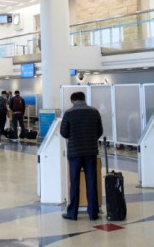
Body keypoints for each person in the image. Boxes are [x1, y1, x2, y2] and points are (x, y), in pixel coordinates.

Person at [59, 91, 103, 221]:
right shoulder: (94, 112)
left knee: (74, 184)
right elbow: (99, 131)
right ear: (84, 99)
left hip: (74, 153)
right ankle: (93, 213)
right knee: (91, 182)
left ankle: (72, 214)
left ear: (73, 100)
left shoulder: (68, 113)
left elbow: (63, 132)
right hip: (90, 152)